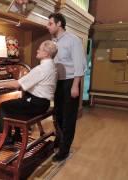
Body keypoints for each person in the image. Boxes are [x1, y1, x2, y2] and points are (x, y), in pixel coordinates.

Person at [0, 40, 57, 145]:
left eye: (40, 49)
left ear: (46, 54)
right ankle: (17, 135)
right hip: (44, 103)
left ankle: (5, 138)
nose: (37, 51)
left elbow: (17, 84)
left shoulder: (41, 69)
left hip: (36, 104)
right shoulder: (52, 66)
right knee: (18, 103)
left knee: (4, 106)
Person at [46, 13, 87, 161]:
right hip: (59, 82)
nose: (47, 26)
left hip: (70, 82)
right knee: (57, 114)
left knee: (68, 117)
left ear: (59, 24)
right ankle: (59, 140)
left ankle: (64, 150)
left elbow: (80, 65)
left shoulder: (73, 40)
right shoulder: (53, 41)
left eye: (50, 23)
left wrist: (75, 86)